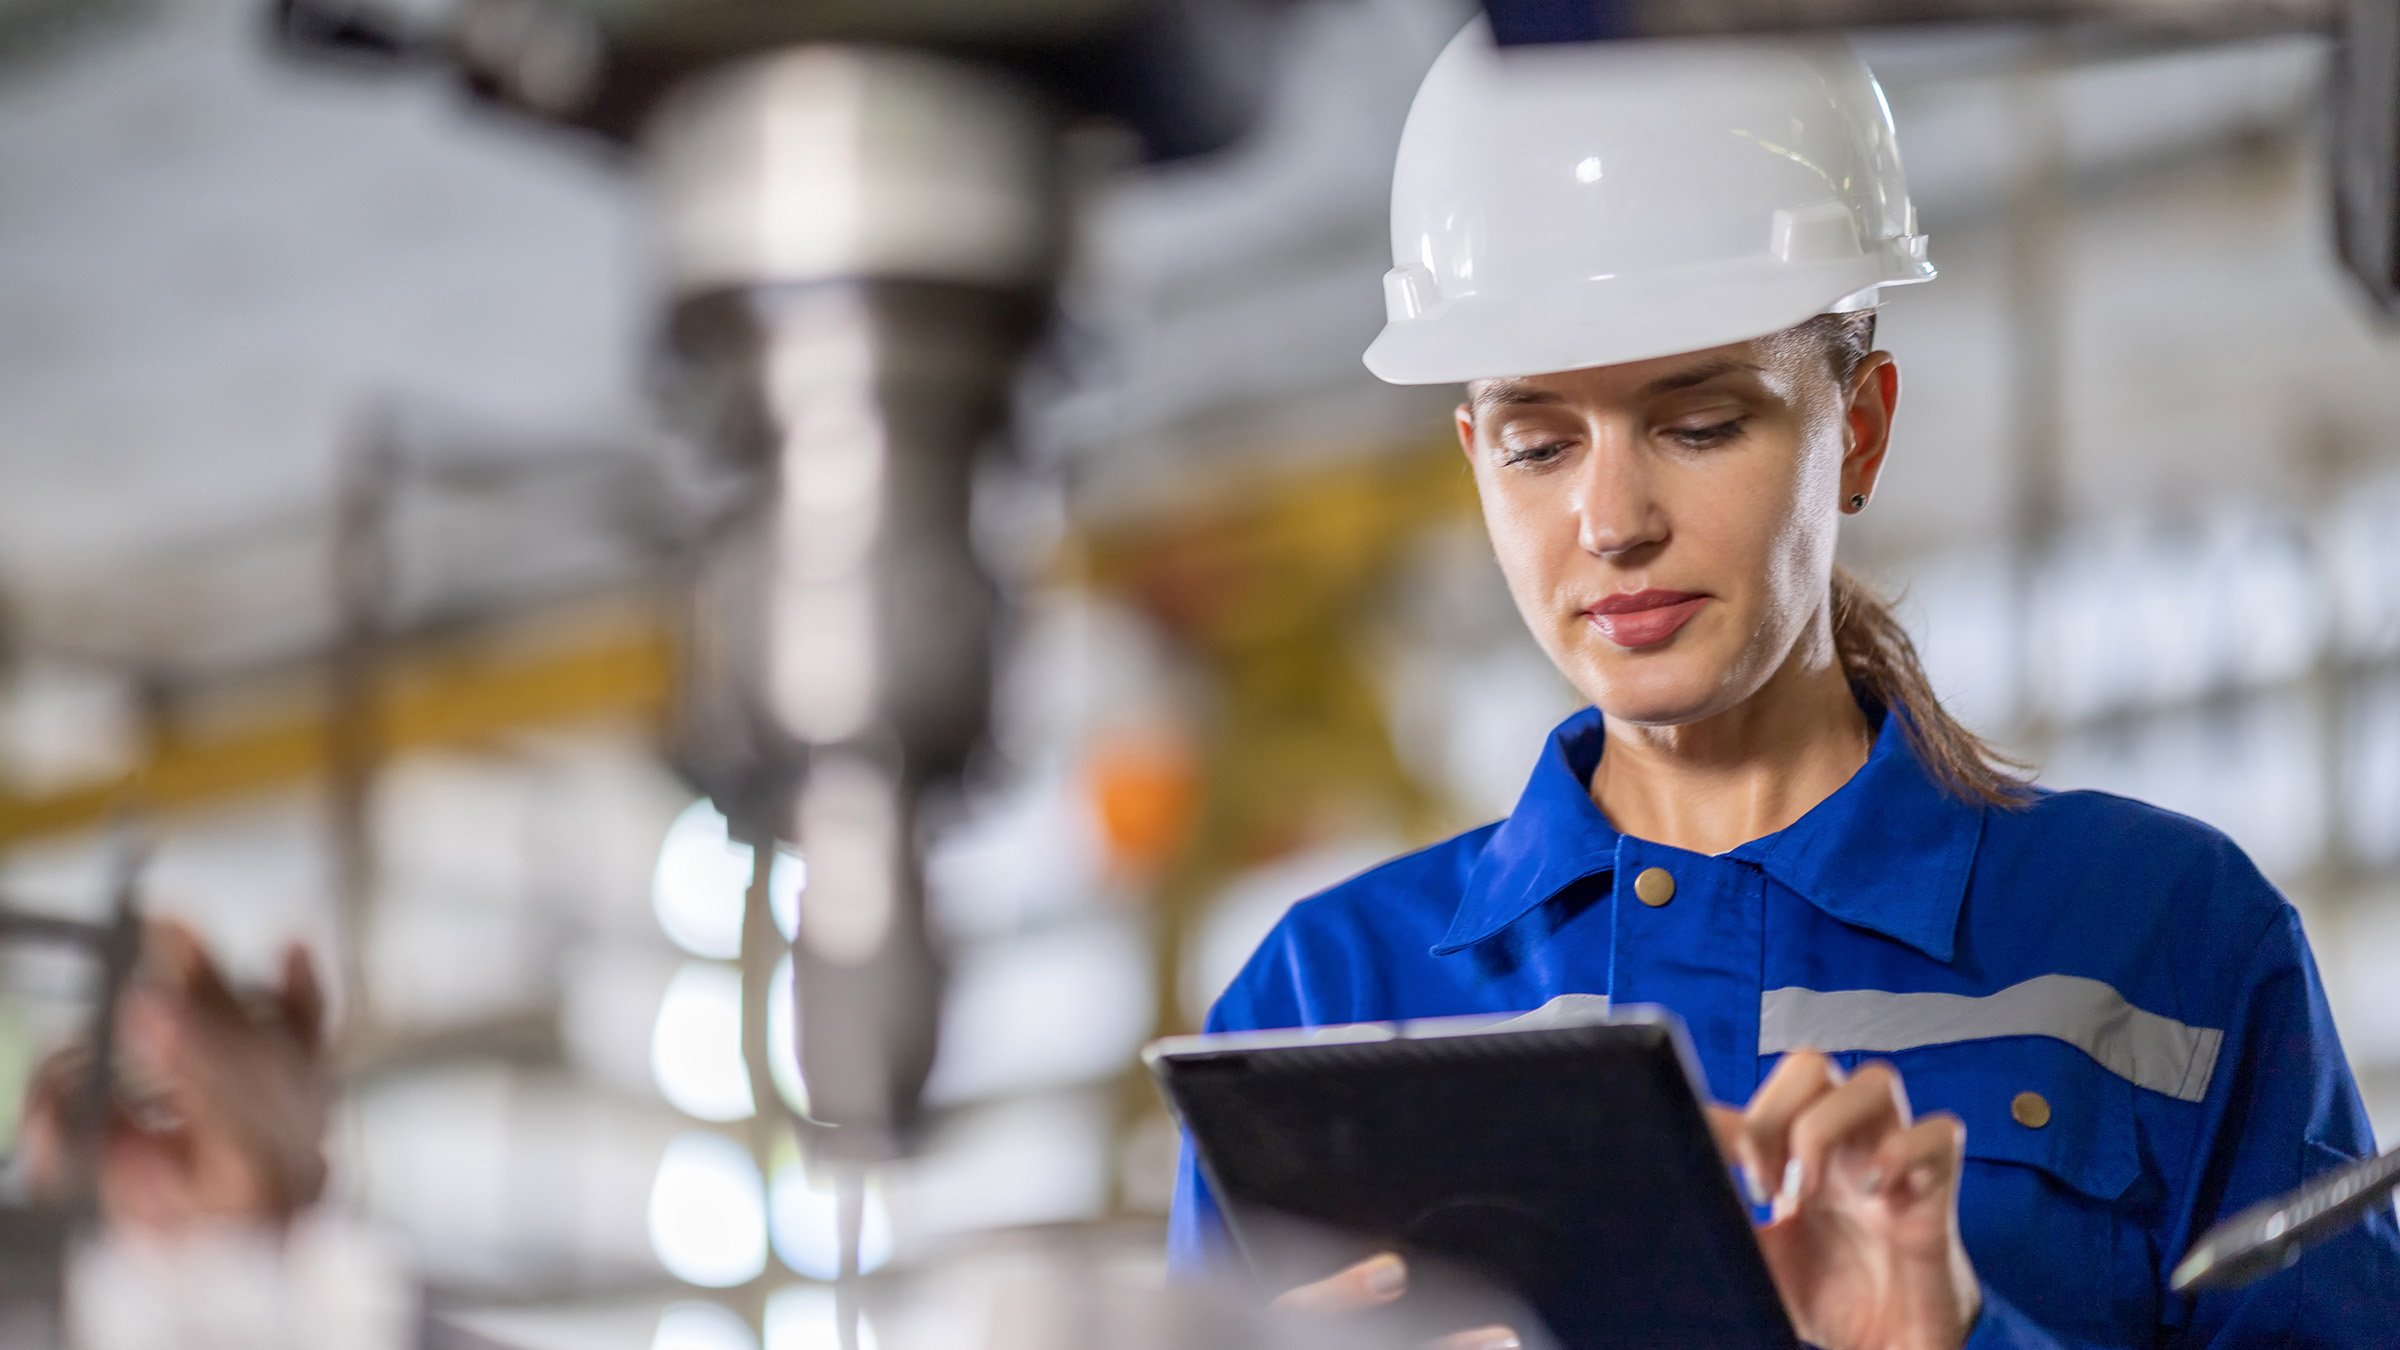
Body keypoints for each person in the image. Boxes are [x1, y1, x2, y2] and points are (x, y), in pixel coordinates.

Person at [1168, 21, 2400, 1349]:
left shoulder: (2167, 940)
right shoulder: (1325, 1002)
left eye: (1700, 424)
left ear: (1855, 425)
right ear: (1473, 452)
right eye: (1537, 444)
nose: (1612, 520)